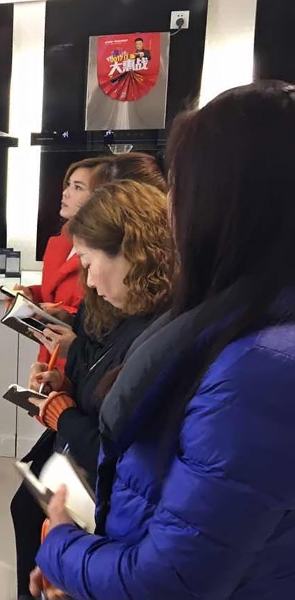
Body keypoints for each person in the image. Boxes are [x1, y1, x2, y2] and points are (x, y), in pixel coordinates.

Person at [33, 81, 295, 600]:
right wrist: (83, 563)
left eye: (180, 185)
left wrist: (62, 547)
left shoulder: (258, 367)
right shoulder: (227, 321)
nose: (169, 207)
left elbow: (165, 580)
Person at [11, 180, 173, 600]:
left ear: (128, 252)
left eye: (87, 260)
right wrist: (65, 386)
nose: (88, 279)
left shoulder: (157, 335)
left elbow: (114, 449)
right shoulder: (126, 313)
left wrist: (61, 413)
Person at [31, 152, 168, 360]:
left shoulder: (147, 316)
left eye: (79, 187)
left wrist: (76, 352)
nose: (66, 193)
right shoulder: (64, 242)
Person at [15, 157, 110, 367]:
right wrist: (30, 295)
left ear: (100, 196)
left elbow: (107, 315)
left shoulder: (106, 252)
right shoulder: (59, 242)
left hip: (79, 357)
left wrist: (68, 315)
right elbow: (53, 293)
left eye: (77, 187)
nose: (66, 193)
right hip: (49, 352)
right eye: (68, 185)